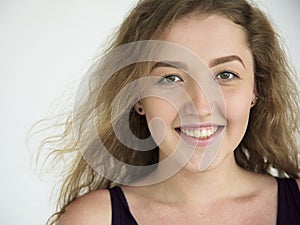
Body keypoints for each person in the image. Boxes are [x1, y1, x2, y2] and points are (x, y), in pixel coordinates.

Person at [35, 0, 300, 224]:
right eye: (171, 78)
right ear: (137, 96)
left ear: (256, 88)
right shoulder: (92, 219)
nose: (201, 105)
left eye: (225, 74)